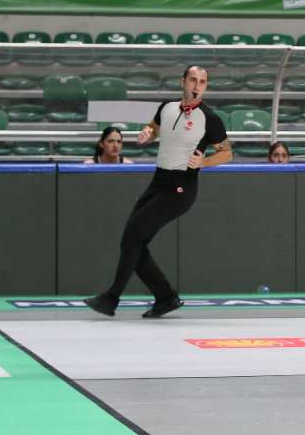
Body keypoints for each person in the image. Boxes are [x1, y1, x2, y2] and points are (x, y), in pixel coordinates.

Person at [84, 66, 232, 318]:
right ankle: (165, 297)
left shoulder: (210, 118)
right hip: (158, 181)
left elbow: (227, 153)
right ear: (183, 82)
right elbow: (153, 130)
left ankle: (112, 298)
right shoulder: (167, 107)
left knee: (133, 237)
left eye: (203, 82)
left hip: (181, 187)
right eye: (193, 80)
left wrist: (204, 163)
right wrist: (147, 134)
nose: (197, 86)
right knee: (132, 241)